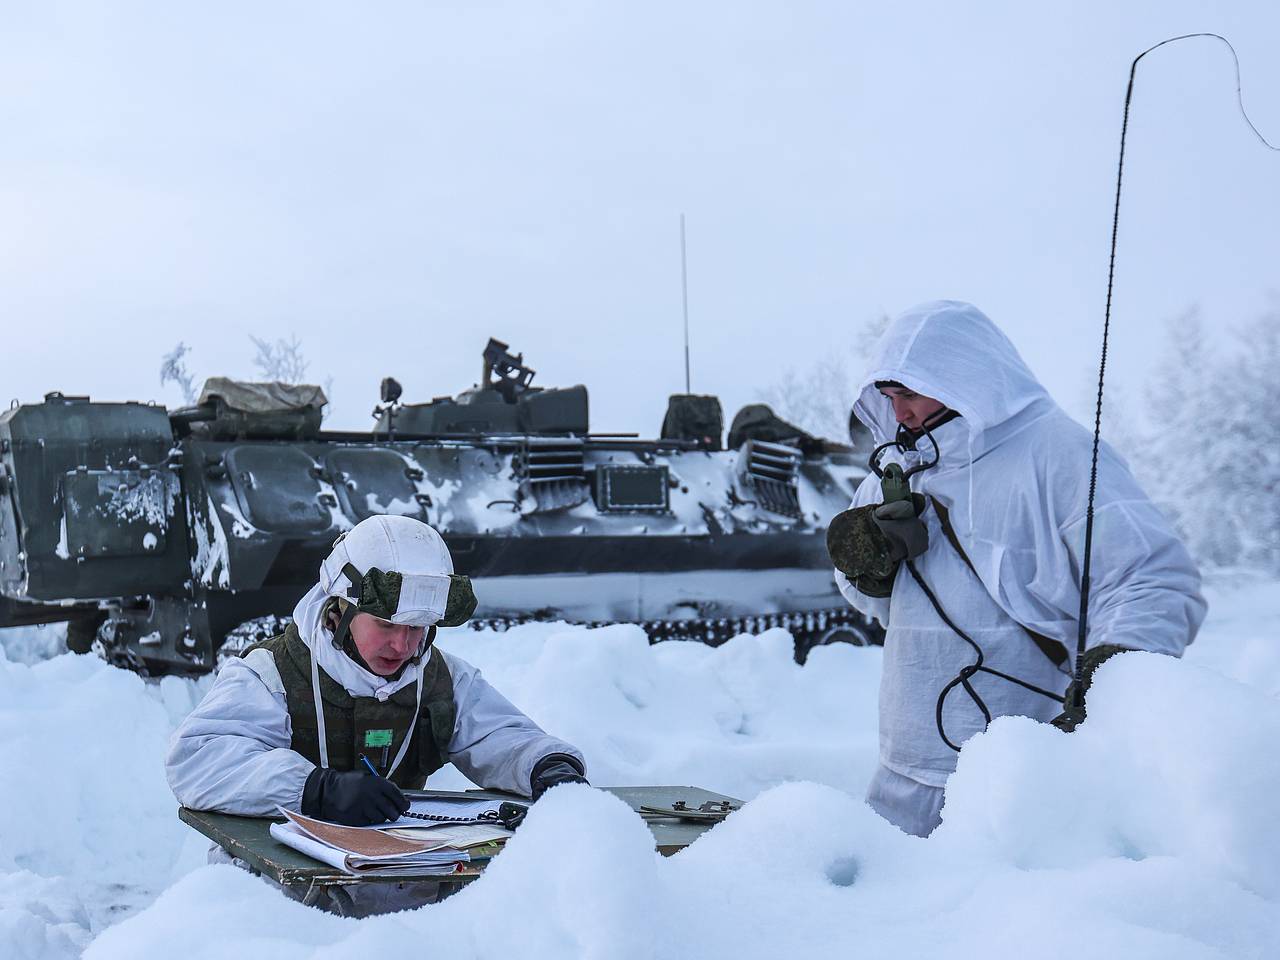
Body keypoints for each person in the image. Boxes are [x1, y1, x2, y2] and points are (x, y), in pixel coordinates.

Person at [827, 300, 1205, 838]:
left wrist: (1113, 673)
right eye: (889, 399)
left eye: (909, 393)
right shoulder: (897, 474)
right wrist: (866, 568)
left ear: (961, 377)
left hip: (1024, 772)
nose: (899, 413)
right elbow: (872, 601)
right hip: (904, 763)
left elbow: (1151, 581)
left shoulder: (1059, 454)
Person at [167, 515, 586, 910]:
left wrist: (548, 766)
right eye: (387, 626)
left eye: (417, 629)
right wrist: (316, 789)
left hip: (407, 901)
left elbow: (501, 736)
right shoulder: (271, 673)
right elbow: (197, 760)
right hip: (279, 904)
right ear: (339, 611)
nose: (402, 647)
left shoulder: (440, 679)